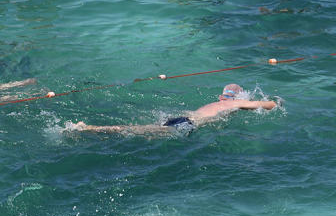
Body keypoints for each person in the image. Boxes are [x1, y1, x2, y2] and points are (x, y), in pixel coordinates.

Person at [71, 84, 277, 137]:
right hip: (187, 124)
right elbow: (269, 105)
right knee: (137, 131)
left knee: (145, 130)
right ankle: (91, 128)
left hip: (182, 117)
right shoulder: (234, 104)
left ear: (221, 96)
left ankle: (95, 129)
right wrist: (276, 102)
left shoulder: (216, 103)